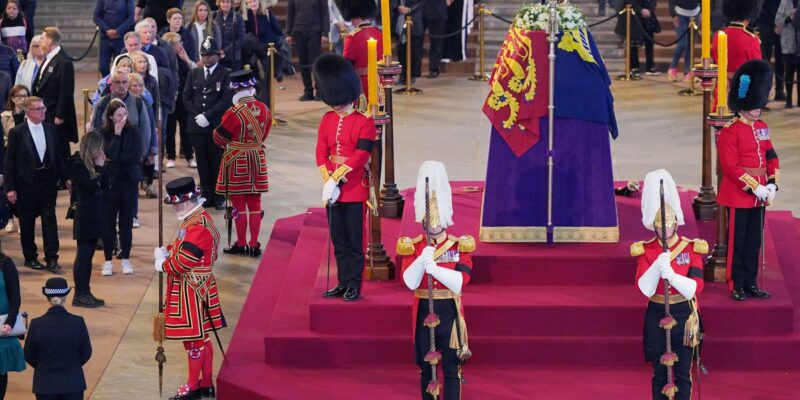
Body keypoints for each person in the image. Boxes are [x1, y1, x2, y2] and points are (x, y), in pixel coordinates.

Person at [398, 161, 474, 400]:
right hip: (423, 310)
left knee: (452, 368)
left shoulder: (459, 245)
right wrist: (421, 260)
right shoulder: (414, 245)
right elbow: (410, 282)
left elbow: (461, 282)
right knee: (426, 369)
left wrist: (435, 269)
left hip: (449, 311)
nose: (434, 223)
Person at [633, 169, 706, 400]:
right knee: (660, 374)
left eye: (668, 226)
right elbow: (643, 288)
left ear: (676, 223)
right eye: (660, 227)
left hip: (684, 314)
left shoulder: (691, 248)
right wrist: (656, 267)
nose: (664, 231)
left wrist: (672, 276)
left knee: (683, 373)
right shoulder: (646, 250)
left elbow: (696, 287)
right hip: (657, 312)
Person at [154, 176, 224, 400]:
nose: (174, 206)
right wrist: (168, 251)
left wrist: (163, 264)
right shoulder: (194, 219)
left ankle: (193, 387)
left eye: (175, 203)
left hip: (191, 289)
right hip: (197, 286)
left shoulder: (197, 226)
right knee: (202, 338)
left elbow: (182, 263)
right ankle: (206, 383)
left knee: (194, 339)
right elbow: (183, 249)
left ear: (186, 201)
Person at [717, 59, 779, 301]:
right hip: (740, 194)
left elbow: (771, 156)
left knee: (754, 242)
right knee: (738, 243)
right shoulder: (730, 132)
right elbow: (731, 167)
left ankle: (751, 282)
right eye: (754, 105)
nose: (758, 109)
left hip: (760, 195)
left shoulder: (762, 127)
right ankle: (737, 283)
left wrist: (772, 183)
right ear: (743, 104)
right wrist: (756, 188)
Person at [314, 53, 372, 301]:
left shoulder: (364, 122)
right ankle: (342, 282)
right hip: (332, 188)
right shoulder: (327, 119)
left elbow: (360, 156)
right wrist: (328, 180)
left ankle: (354, 284)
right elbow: (321, 151)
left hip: (353, 188)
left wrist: (337, 178)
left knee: (354, 242)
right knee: (339, 241)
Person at [213, 69, 270, 257]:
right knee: (255, 203)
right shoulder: (264, 108)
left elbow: (220, 138)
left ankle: (241, 243)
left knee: (238, 204)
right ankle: (254, 244)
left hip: (237, 160)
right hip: (257, 158)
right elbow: (264, 134)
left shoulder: (233, 112)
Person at [3, 96, 62, 272]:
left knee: (49, 220)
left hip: (48, 183)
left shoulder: (51, 129)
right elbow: (10, 162)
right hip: (26, 184)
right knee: (27, 222)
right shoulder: (17, 133)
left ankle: (52, 257)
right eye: (39, 109)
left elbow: (57, 156)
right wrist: (10, 188)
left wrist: (66, 177)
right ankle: (30, 257)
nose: (43, 111)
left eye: (43, 108)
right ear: (28, 112)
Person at [183, 37, 232, 210]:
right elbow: (186, 97)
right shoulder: (194, 73)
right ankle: (206, 192)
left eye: (210, 55)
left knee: (217, 160)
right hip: (197, 126)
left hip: (216, 125)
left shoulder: (225, 74)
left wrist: (208, 116)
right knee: (202, 161)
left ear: (218, 56)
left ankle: (219, 195)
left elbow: (226, 99)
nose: (206, 58)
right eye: (204, 55)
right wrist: (198, 116)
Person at [23, 277, 92, 400]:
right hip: (73, 382)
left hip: (45, 383)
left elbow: (29, 355)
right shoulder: (78, 322)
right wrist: (73, 364)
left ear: (47, 298)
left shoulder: (36, 324)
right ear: (65, 297)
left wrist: (43, 365)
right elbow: (86, 352)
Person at [98, 99, 142, 276]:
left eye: (125, 114)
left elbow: (136, 156)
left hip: (129, 181)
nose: (123, 118)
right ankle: (108, 260)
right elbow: (107, 154)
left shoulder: (134, 130)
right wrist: (116, 134)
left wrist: (115, 158)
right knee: (108, 222)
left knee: (126, 222)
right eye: (119, 115)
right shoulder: (103, 132)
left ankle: (126, 259)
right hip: (110, 181)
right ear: (111, 116)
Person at [68, 131, 107, 308]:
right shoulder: (77, 165)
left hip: (95, 214)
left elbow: (104, 185)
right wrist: (99, 167)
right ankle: (79, 294)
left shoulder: (91, 165)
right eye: (99, 149)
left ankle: (86, 290)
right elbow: (92, 186)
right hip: (84, 215)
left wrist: (101, 167)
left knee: (89, 255)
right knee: (83, 256)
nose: (101, 153)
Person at [33, 27, 77, 161]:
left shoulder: (64, 62)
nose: (40, 42)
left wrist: (60, 115)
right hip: (46, 111)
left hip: (56, 115)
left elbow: (66, 90)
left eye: (42, 38)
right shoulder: (49, 58)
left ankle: (64, 178)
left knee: (60, 147)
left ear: (50, 41)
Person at [161, 31, 196, 169]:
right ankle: (170, 156)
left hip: (184, 96)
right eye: (177, 43)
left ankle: (189, 156)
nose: (180, 45)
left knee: (186, 127)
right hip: (170, 96)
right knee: (170, 128)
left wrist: (186, 59)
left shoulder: (183, 56)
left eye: (180, 42)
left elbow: (195, 71)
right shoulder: (166, 59)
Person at [242, 0, 284, 107]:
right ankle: (258, 105)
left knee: (267, 80)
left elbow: (278, 32)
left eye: (255, 0)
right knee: (255, 79)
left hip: (268, 51)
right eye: (250, 1)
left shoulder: (267, 13)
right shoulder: (246, 16)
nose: (253, 3)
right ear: (247, 4)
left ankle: (267, 106)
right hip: (253, 53)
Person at [287, 0, 330, 101]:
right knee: (303, 62)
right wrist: (288, 32)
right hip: (298, 30)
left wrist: (325, 33)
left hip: (315, 30)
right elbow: (290, 13)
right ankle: (308, 91)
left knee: (315, 62)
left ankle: (319, 91)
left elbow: (325, 13)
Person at [340, 0, 383, 95]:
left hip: (361, 86)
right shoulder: (380, 34)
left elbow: (347, 66)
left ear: (357, 17)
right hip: (380, 85)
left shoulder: (352, 37)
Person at [0, 247, 26, 399]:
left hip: (3, 328)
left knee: (0, 371)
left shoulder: (6, 263)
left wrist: (9, 322)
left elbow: (15, 296)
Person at [615, 0, 659, 77]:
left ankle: (650, 67)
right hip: (633, 16)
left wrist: (649, 10)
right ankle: (634, 68)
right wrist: (641, 10)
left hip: (648, 18)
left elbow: (653, 2)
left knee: (649, 42)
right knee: (633, 43)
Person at [93, 0, 136, 77]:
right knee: (103, 67)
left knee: (121, 66)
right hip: (105, 37)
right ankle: (107, 84)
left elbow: (131, 18)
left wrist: (117, 31)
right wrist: (107, 30)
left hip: (121, 38)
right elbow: (96, 17)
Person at [758, 0, 786, 101]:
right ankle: (764, 93)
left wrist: (780, 23)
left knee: (781, 60)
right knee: (765, 61)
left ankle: (779, 90)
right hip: (766, 26)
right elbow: (761, 7)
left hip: (780, 27)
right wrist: (773, 23)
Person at [668, 0, 701, 82]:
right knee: (682, 44)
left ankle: (687, 71)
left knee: (690, 45)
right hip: (680, 13)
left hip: (695, 12)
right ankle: (673, 68)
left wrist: (702, 12)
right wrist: (673, 14)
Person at [392, 0, 423, 85]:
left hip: (414, 21)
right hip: (399, 21)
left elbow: (423, 2)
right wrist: (397, 7)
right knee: (401, 51)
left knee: (414, 51)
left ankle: (411, 75)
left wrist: (410, 9)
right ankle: (403, 75)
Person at [775, 0, 799, 108]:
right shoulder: (784, 2)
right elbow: (778, 21)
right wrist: (789, 16)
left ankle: (799, 101)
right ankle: (788, 99)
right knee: (789, 72)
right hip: (788, 43)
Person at [188, 0, 222, 66]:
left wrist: (205, 61)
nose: (203, 13)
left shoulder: (213, 26)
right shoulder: (189, 26)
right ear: (196, 11)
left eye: (205, 10)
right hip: (194, 64)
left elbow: (217, 46)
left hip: (211, 63)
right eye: (200, 10)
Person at [214, 0, 244, 70]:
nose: (225, 4)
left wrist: (225, 52)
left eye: (228, 2)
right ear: (219, 3)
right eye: (223, 2)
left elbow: (241, 39)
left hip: (233, 58)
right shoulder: (214, 16)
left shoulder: (238, 18)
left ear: (231, 3)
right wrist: (217, 52)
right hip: (217, 58)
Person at [422, 0, 446, 78]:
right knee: (416, 41)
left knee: (436, 42)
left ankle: (434, 68)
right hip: (418, 9)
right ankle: (415, 70)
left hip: (437, 11)